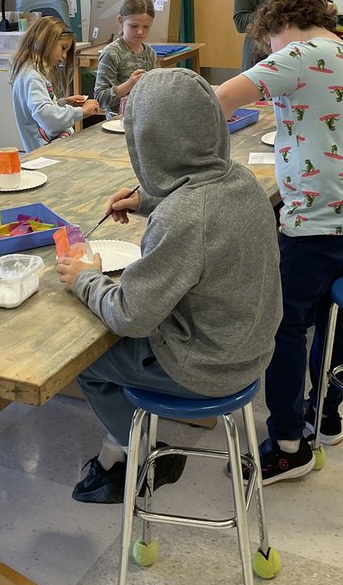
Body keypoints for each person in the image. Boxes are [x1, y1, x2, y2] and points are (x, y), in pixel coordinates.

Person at [55, 67, 282, 503]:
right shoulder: (242, 182)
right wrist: (148, 198)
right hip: (251, 348)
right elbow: (200, 208)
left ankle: (138, 453)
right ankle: (129, 443)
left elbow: (130, 315)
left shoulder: (183, 218)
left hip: (207, 366)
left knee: (85, 364)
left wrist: (85, 279)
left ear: (146, 142)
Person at [216, 0, 343, 484]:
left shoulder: (294, 55)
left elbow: (220, 99)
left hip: (312, 223)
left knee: (286, 327)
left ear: (277, 27)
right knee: (334, 316)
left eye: (267, 43)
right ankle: (326, 415)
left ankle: (289, 445)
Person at [10, 17, 101, 152]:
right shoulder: (33, 77)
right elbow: (46, 117)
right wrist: (81, 111)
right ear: (46, 41)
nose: (64, 56)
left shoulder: (31, 72)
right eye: (63, 48)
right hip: (48, 153)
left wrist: (63, 103)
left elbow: (37, 110)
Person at [92, 0, 158, 117]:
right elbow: (100, 98)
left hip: (144, 118)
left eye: (146, 27)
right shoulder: (112, 53)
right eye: (134, 26)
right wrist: (128, 85)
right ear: (121, 21)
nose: (140, 32)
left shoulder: (150, 54)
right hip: (118, 121)